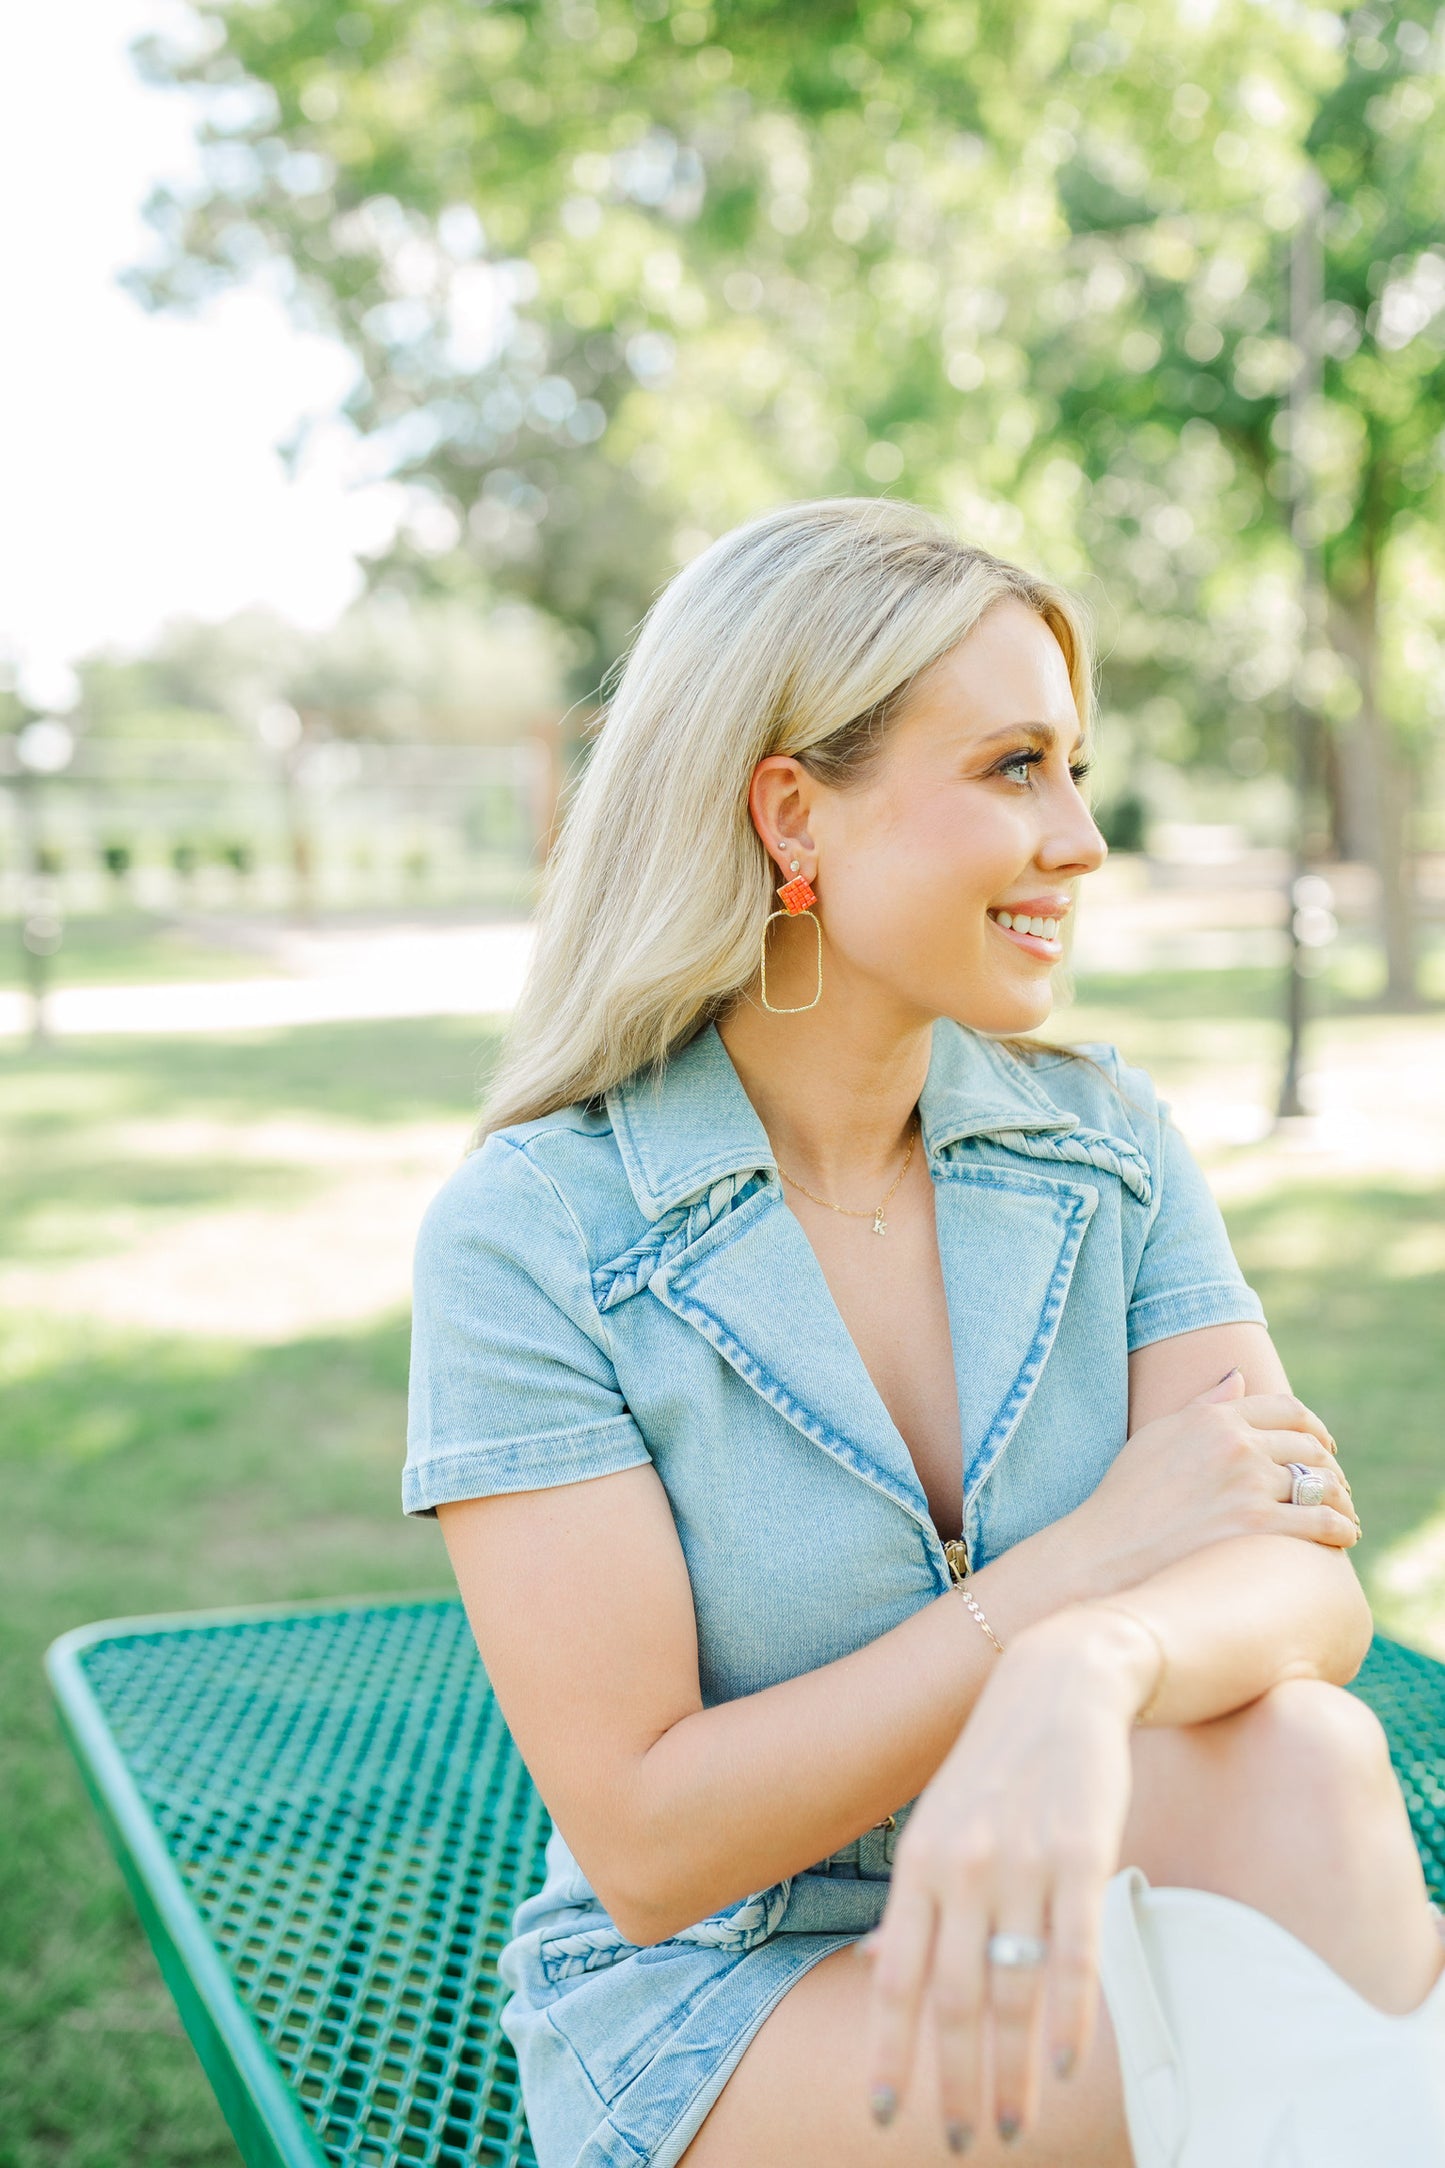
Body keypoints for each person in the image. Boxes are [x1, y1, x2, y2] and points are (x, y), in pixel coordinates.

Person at [403, 498, 1444, 2167]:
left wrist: (1086, 1667)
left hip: (1091, 1865)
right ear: (791, 812)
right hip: (731, 1983)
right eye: (1013, 766)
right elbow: (657, 1842)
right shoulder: (533, 1234)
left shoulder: (1102, 1147)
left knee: (1306, 1759)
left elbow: (1306, 1581)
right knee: (1296, 2061)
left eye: (1074, 768)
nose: (1082, 841)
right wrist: (1067, 1583)